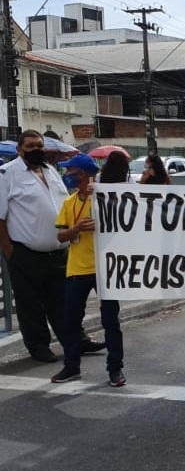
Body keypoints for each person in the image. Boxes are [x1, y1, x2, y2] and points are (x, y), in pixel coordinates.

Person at [0, 130, 104, 362]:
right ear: (20, 150)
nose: (37, 150)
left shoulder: (52, 172)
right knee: (31, 305)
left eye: (40, 145)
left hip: (59, 251)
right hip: (26, 253)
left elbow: (65, 203)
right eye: (30, 146)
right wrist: (10, 252)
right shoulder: (7, 174)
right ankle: (38, 347)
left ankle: (77, 340)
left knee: (65, 302)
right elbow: (0, 218)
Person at [50, 153, 126, 387]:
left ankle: (115, 369)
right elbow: (60, 235)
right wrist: (76, 229)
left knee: (110, 321)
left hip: (105, 270)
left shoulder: (107, 199)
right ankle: (71, 367)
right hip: (76, 269)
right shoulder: (69, 202)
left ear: (82, 173)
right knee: (71, 321)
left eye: (70, 171)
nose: (67, 175)